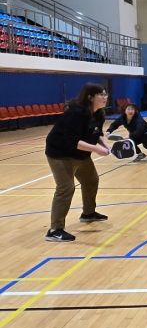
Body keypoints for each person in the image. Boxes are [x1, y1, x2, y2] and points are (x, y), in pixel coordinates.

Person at [44, 83, 111, 242]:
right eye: (101, 94)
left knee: (91, 180)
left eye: (105, 94)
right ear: (90, 97)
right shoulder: (76, 113)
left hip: (81, 154)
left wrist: (106, 145)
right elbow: (73, 141)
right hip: (60, 153)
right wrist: (96, 149)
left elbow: (97, 133)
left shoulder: (99, 114)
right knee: (66, 188)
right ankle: (55, 230)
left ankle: (88, 213)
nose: (105, 97)